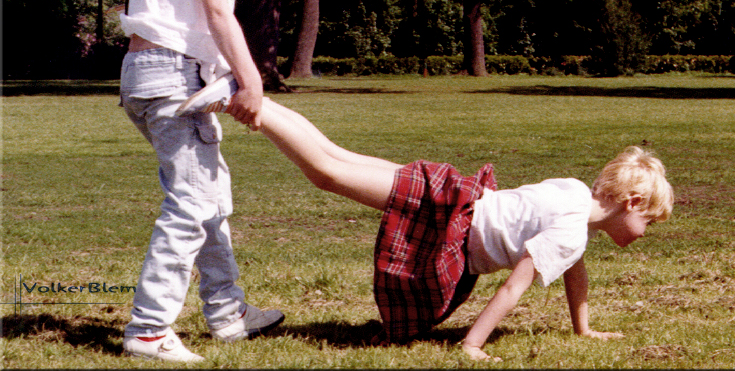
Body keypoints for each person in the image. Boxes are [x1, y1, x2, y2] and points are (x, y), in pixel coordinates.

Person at [179, 80, 674, 362]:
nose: (646, 234)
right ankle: (239, 101)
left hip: (450, 192)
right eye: (649, 222)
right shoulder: (569, 232)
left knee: (335, 155)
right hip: (444, 218)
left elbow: (574, 272)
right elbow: (511, 290)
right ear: (630, 202)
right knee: (326, 172)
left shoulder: (573, 195)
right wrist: (473, 345)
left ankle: (247, 95)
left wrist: (582, 330)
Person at [118, 0, 283, 362]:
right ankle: (149, 329)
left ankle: (228, 314)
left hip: (148, 71)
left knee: (208, 195)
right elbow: (217, 12)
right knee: (192, 202)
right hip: (172, 73)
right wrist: (252, 82)